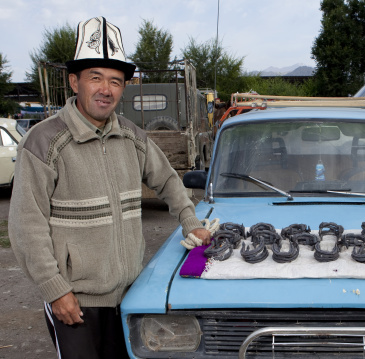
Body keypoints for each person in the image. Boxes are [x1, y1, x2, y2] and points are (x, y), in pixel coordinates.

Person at [8, 16, 211, 358]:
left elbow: (167, 180)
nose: (106, 89)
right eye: (95, 78)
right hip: (76, 301)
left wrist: (191, 222)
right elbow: (26, 225)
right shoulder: (43, 142)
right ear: (74, 82)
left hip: (129, 295)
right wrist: (55, 290)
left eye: (115, 81)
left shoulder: (132, 136)